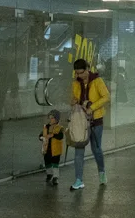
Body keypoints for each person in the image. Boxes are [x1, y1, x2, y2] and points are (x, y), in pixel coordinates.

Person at [71, 58, 110, 190]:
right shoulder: (76, 83)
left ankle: (102, 172)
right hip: (81, 121)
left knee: (96, 148)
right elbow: (75, 98)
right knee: (79, 149)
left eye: (81, 72)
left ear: (87, 69)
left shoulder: (97, 81)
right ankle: (78, 180)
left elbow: (106, 97)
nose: (79, 75)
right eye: (77, 73)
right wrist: (74, 101)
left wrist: (92, 107)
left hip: (95, 120)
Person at [39, 109, 64, 185]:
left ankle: (55, 177)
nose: (50, 120)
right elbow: (41, 135)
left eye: (52, 118)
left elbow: (60, 136)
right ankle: (49, 174)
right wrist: (41, 137)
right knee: (47, 161)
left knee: (55, 163)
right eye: (50, 118)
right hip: (47, 148)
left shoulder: (59, 128)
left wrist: (52, 135)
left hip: (56, 150)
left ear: (56, 119)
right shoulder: (46, 127)